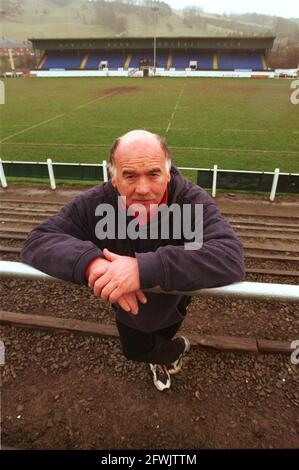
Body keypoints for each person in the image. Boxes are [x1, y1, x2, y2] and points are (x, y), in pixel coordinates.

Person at [21, 130, 245, 392]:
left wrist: (142, 268)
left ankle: (166, 353)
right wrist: (92, 263)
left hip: (173, 300)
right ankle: (169, 354)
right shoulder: (96, 202)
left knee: (163, 335)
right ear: (113, 177)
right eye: (129, 175)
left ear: (168, 173)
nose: (142, 189)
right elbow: (38, 240)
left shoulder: (190, 200)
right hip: (127, 307)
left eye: (153, 174)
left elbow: (230, 256)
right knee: (134, 350)